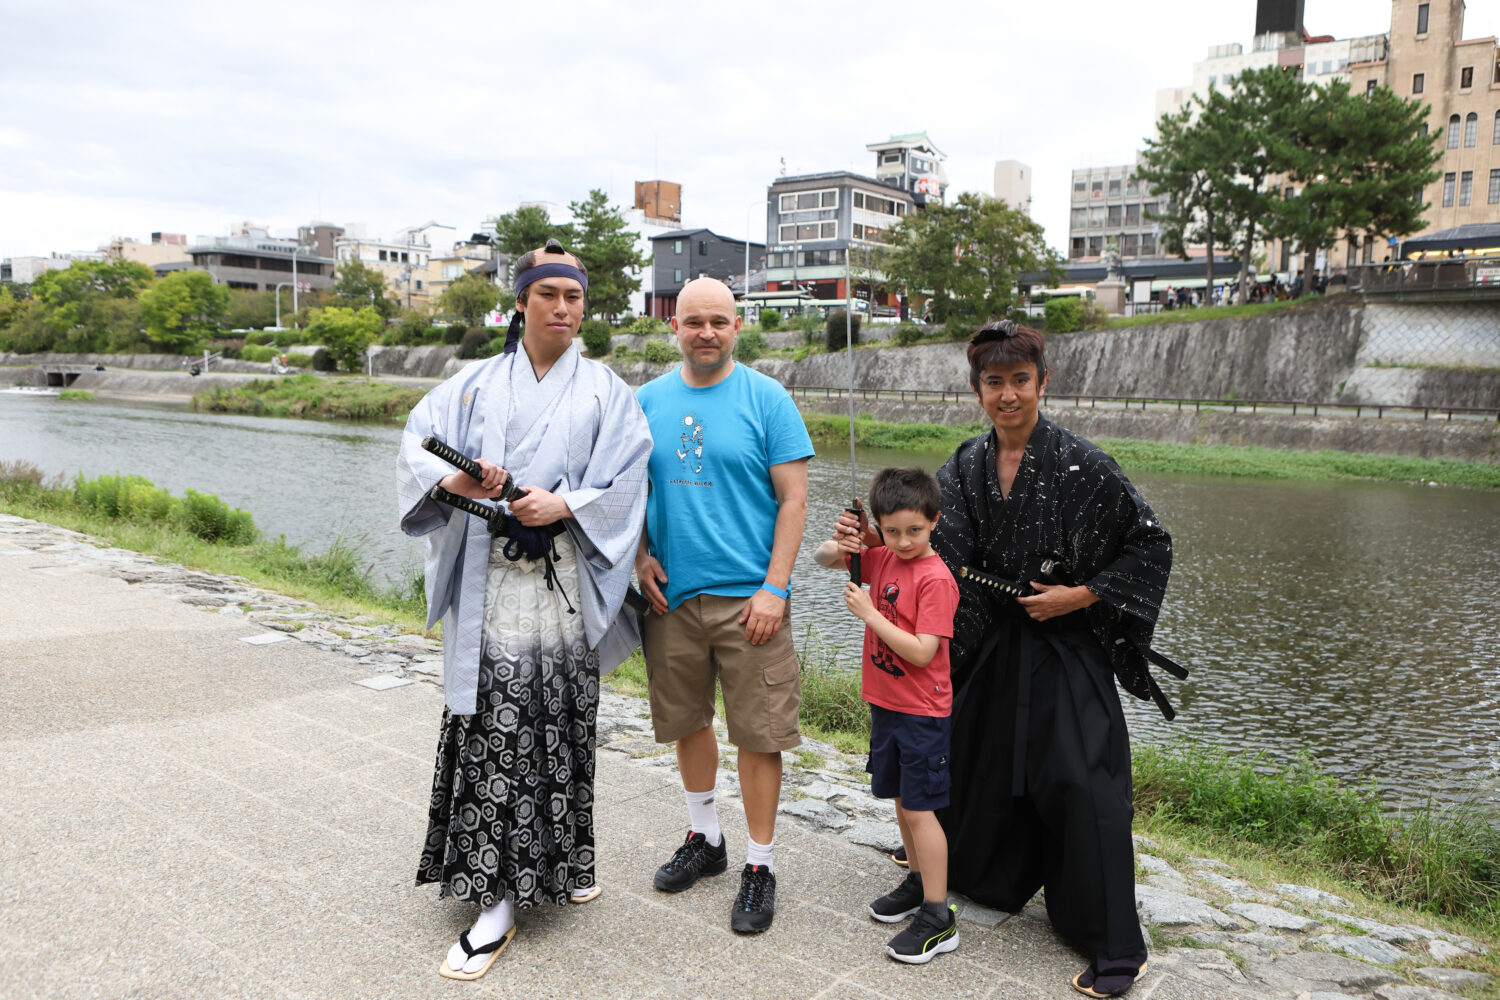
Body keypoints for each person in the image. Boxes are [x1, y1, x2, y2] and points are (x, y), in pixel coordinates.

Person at [396, 240, 652, 981]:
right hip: (492, 588)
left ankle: (564, 863)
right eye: (550, 296)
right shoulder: (473, 385)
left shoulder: (606, 390)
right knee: (499, 727)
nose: (564, 309)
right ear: (522, 303)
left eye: (574, 298)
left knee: (562, 722)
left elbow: (630, 475)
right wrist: (469, 486)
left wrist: (563, 501)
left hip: (563, 589)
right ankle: (498, 897)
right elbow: (417, 448)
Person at [931, 320, 1175, 998]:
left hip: (1066, 645)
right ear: (978, 389)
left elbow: (1150, 545)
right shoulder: (967, 463)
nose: (1007, 395)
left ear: (1043, 383)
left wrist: (1081, 597)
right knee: (976, 752)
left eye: (1019, 381)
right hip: (997, 639)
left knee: (1082, 779)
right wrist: (876, 545)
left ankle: (1116, 943)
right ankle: (985, 876)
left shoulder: (1082, 463)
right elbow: (939, 553)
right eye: (993, 382)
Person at [634, 276, 813, 934]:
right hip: (670, 596)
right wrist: (637, 555)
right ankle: (705, 839)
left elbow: (794, 500)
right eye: (693, 321)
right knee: (686, 722)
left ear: (738, 326)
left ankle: (760, 865)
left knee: (760, 736)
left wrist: (776, 587)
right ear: (672, 328)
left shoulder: (768, 399)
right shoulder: (645, 401)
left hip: (752, 601)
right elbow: (623, 491)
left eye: (719, 321)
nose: (705, 331)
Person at [814, 467, 961, 965]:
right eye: (892, 531)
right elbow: (822, 558)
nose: (903, 541)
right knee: (902, 801)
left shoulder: (935, 578)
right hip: (888, 706)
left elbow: (923, 652)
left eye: (914, 531)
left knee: (922, 809)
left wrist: (871, 615)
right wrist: (847, 540)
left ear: (934, 521)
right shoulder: (884, 558)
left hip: (922, 712)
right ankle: (919, 883)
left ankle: (939, 916)